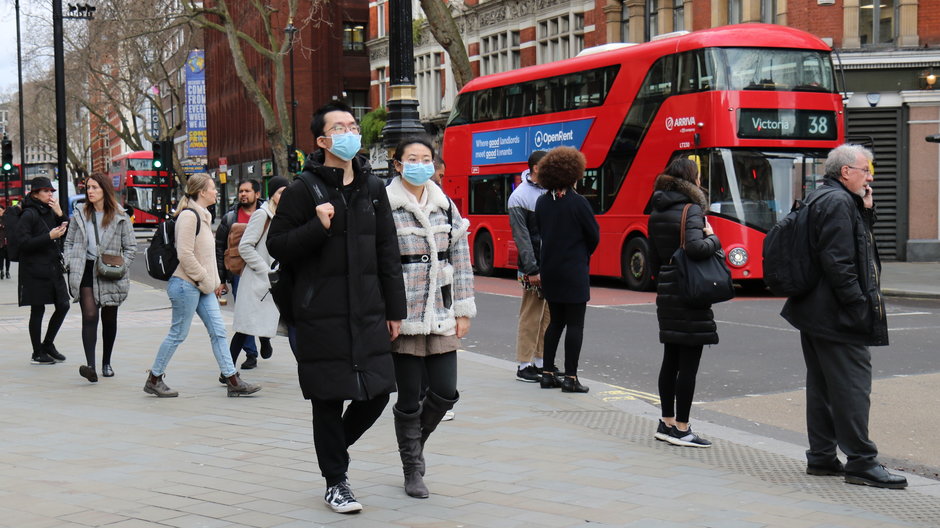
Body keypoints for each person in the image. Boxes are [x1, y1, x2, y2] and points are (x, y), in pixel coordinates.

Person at [267, 101, 406, 514]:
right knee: (328, 399)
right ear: (323, 140)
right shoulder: (301, 191)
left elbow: (387, 252)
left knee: (378, 393)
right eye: (340, 127)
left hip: (367, 311)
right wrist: (317, 225)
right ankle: (336, 481)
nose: (350, 132)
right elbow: (278, 247)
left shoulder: (374, 188)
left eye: (352, 125)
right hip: (318, 314)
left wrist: (394, 311)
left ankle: (332, 450)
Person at [782, 144, 906, 489]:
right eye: (866, 170)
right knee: (853, 387)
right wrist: (858, 305)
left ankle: (822, 457)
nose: (870, 177)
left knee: (821, 386)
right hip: (836, 313)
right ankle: (862, 462)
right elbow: (839, 262)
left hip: (814, 309)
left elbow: (848, 245)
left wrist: (865, 211)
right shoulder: (837, 203)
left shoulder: (823, 197)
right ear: (845, 171)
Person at [386, 137, 475, 498]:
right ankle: (412, 469)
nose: (420, 164)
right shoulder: (386, 205)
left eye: (426, 158)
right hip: (403, 313)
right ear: (397, 164)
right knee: (408, 398)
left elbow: (461, 259)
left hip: (440, 311)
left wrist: (463, 308)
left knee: (445, 390)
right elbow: (379, 264)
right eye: (412, 158)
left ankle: (413, 447)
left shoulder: (445, 206)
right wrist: (388, 311)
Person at [144, 173, 261, 398]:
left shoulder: (204, 215)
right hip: (186, 285)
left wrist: (214, 282)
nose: (216, 191)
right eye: (212, 188)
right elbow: (185, 255)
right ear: (202, 192)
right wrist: (205, 279)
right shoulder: (189, 216)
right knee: (178, 333)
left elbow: (207, 256)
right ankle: (154, 378)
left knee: (218, 331)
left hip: (202, 287)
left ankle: (233, 380)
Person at [647, 158, 719, 448]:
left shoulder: (656, 211)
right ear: (691, 179)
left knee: (671, 358)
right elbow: (695, 247)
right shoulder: (691, 210)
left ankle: (665, 423)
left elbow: (653, 257)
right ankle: (682, 428)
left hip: (667, 288)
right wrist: (714, 240)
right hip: (689, 290)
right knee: (689, 362)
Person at [535, 147, 599, 394]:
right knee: (575, 325)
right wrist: (581, 254)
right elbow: (593, 236)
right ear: (574, 174)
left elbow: (541, 231)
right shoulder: (579, 203)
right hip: (573, 270)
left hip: (550, 268)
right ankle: (571, 377)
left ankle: (548, 374)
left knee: (555, 323)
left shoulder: (542, 202)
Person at [63, 172, 137, 382]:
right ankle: (91, 366)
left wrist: (123, 267)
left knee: (109, 318)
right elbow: (68, 242)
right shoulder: (80, 213)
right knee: (89, 316)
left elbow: (131, 247)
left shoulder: (120, 215)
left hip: (110, 270)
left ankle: (106, 362)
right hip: (85, 269)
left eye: (95, 187)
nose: (90, 191)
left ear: (105, 189)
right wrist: (69, 261)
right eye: (88, 188)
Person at [228, 176, 290, 373]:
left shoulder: (288, 215)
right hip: (258, 281)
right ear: (272, 195)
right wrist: (266, 270)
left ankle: (266, 342)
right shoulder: (262, 215)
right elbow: (245, 247)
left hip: (278, 280)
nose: (286, 195)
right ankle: (227, 370)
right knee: (245, 328)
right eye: (281, 192)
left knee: (292, 325)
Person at [15, 177, 69, 365]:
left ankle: (47, 344)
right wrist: (49, 236)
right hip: (34, 269)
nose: (50, 194)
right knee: (37, 309)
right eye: (46, 191)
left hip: (53, 267)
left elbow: (67, 232)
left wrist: (61, 215)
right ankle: (37, 353)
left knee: (63, 305)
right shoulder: (29, 214)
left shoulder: (50, 210)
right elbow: (23, 244)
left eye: (51, 191)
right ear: (35, 193)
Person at [508, 150, 550, 382]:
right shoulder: (520, 196)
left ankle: (542, 362)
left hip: (549, 265)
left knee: (548, 317)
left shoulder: (549, 190)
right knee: (531, 314)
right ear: (535, 168)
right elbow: (522, 237)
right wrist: (532, 269)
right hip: (532, 266)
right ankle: (524, 365)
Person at [215, 178, 265, 368]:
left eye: (247, 191)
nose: (243, 194)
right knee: (244, 313)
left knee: (264, 307)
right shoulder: (230, 218)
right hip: (238, 272)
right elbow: (219, 248)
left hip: (261, 270)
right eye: (241, 191)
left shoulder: (267, 215)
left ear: (257, 194)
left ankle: (265, 339)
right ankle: (251, 353)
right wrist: (221, 279)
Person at [0, 204, 9, 279]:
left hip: (8, 241)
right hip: (1, 242)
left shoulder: (7, 218)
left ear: (3, 210)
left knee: (8, 258)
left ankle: (7, 271)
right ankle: (1, 271)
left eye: (0, 210)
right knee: (1, 258)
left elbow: (9, 227)